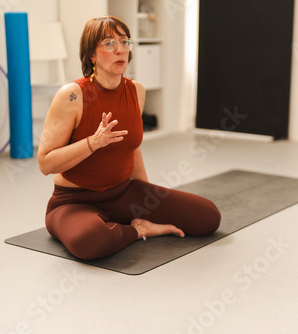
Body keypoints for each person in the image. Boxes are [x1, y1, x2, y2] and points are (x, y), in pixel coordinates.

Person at [37, 16, 221, 260]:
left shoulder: (136, 90)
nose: (120, 50)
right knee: (89, 240)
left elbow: (132, 148)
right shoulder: (72, 95)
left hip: (125, 194)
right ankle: (136, 231)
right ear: (91, 54)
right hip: (73, 202)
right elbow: (45, 163)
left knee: (208, 217)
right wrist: (92, 143)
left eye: (125, 42)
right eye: (109, 43)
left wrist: (146, 198)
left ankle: (126, 225)